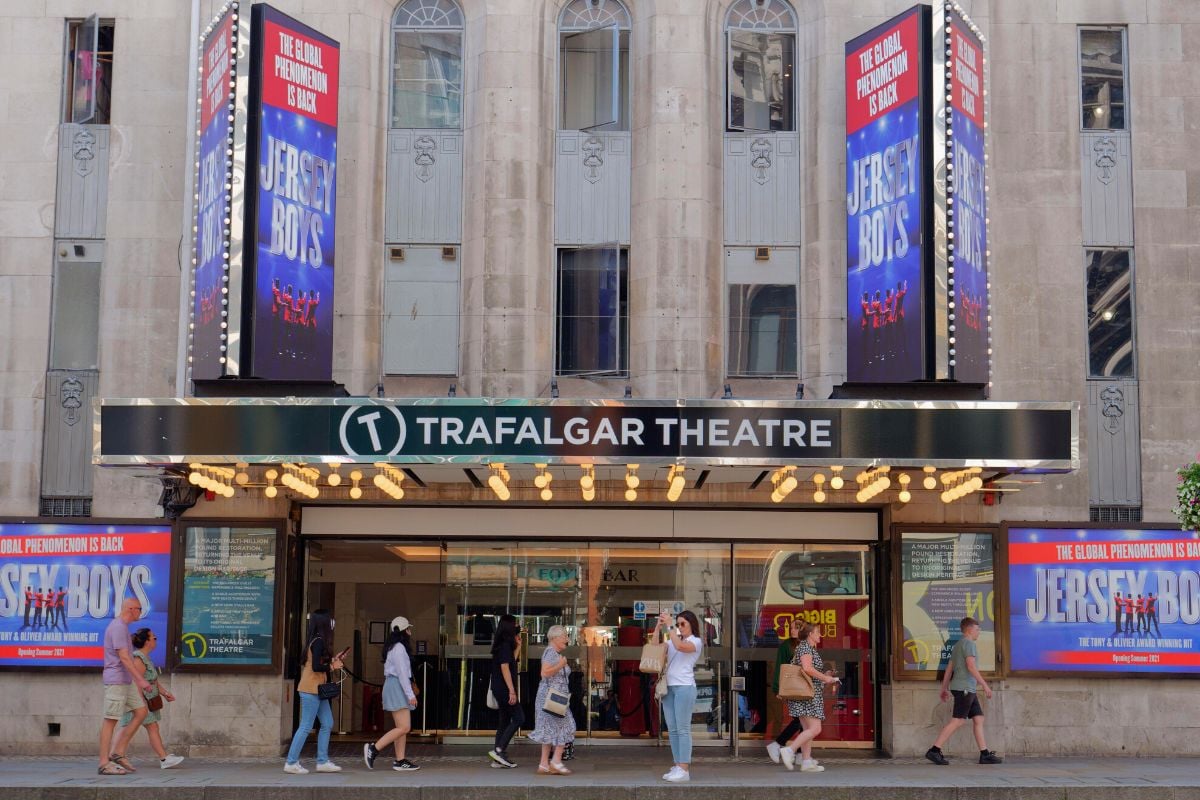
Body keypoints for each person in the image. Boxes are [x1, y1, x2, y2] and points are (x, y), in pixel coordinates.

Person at [925, 617, 1002, 766]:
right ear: (969, 630)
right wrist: (985, 685)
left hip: (964, 688)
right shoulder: (969, 644)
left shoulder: (957, 645)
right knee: (958, 720)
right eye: (977, 629)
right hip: (965, 688)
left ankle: (984, 754)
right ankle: (934, 750)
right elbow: (971, 667)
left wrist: (944, 688)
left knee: (978, 718)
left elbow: (949, 668)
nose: (979, 631)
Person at [284, 609, 345, 774]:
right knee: (305, 726)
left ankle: (322, 761)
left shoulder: (316, 640)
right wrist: (333, 666)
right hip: (311, 689)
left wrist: (333, 660)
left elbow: (316, 662)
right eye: (330, 620)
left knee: (327, 723)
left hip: (318, 690)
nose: (332, 623)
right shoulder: (318, 641)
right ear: (325, 624)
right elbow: (317, 667)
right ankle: (291, 762)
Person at [98, 597, 153, 775]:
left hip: (125, 680)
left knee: (141, 711)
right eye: (139, 609)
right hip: (117, 680)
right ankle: (104, 763)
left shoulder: (122, 627)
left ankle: (118, 752)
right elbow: (125, 659)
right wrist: (142, 681)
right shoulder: (118, 627)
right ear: (130, 609)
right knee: (110, 720)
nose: (141, 612)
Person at [115, 629, 184, 769]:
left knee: (140, 727)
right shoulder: (139, 659)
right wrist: (140, 704)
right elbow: (136, 682)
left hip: (145, 700)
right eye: (154, 637)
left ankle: (116, 755)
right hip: (140, 701)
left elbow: (152, 680)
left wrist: (164, 693)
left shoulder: (145, 658)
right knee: (135, 728)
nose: (155, 640)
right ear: (147, 642)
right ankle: (163, 758)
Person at [778, 621, 839, 772]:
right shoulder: (805, 647)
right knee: (815, 728)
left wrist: (825, 675)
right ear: (810, 634)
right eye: (818, 632)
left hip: (807, 694)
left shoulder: (807, 648)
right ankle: (790, 750)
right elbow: (807, 668)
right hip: (808, 696)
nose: (820, 635)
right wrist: (825, 679)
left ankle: (806, 761)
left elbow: (809, 671)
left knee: (807, 729)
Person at [364, 616, 419, 771]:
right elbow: (402, 674)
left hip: (394, 685)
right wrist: (410, 695)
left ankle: (400, 760)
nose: (410, 631)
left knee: (401, 727)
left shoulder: (393, 647)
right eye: (409, 628)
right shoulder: (400, 648)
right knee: (404, 727)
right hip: (397, 685)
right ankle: (374, 748)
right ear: (404, 630)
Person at [656, 609, 703, 783]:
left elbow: (680, 647)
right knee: (673, 729)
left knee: (683, 729)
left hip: (685, 687)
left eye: (683, 624)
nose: (680, 627)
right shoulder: (674, 638)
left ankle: (684, 768)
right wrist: (658, 627)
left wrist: (670, 627)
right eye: (678, 624)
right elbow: (655, 647)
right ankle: (677, 764)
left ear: (692, 624)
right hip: (669, 687)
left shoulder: (696, 642)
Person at [528, 625, 574, 775]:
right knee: (567, 726)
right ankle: (556, 761)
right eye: (564, 636)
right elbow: (544, 673)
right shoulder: (552, 653)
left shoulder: (551, 652)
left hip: (548, 697)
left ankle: (543, 764)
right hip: (554, 698)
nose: (567, 639)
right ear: (555, 638)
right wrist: (561, 665)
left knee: (549, 730)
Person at [487, 614, 523, 769]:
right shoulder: (504, 645)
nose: (517, 627)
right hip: (504, 688)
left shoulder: (503, 644)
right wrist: (512, 691)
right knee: (519, 718)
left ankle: (497, 757)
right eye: (515, 624)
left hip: (499, 687)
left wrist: (519, 646)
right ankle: (500, 750)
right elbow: (505, 667)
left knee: (503, 721)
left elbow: (510, 663)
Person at [766, 617, 801, 764]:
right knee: (801, 720)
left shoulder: (805, 645)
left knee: (804, 721)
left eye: (796, 628)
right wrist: (777, 689)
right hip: (794, 688)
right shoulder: (786, 646)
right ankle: (779, 744)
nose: (792, 630)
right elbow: (780, 668)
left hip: (803, 689)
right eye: (791, 627)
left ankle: (800, 755)